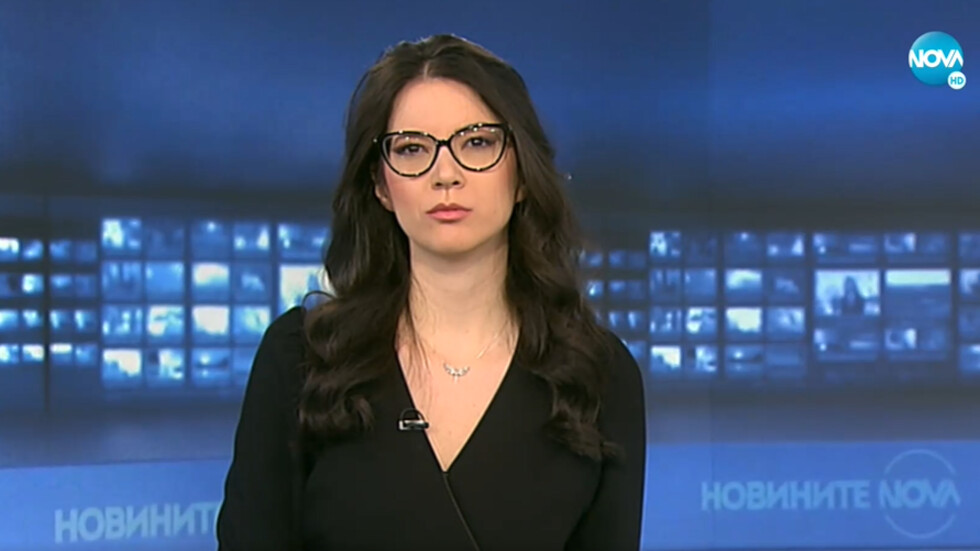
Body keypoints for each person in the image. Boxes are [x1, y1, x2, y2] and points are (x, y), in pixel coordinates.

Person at [216, 34, 647, 551]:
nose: (446, 174)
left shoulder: (598, 377)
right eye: (412, 149)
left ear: (523, 174)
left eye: (477, 143)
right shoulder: (300, 360)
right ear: (380, 184)